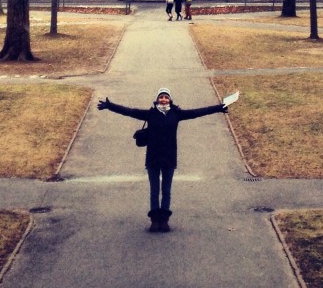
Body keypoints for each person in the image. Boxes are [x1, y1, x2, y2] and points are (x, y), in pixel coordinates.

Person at [97, 88, 230, 232]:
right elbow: (130, 111)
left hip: (169, 158)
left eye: (166, 97)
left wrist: (218, 108)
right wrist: (110, 106)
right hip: (153, 157)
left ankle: (164, 220)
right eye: (161, 97)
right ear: (157, 99)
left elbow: (197, 112)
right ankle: (155, 220)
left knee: (166, 190)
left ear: (170, 100)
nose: (164, 99)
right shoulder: (150, 114)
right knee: (154, 190)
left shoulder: (176, 114)